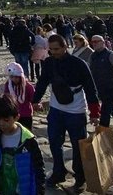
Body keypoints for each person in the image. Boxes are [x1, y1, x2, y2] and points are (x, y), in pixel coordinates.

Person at [31, 34, 100, 190]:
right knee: (55, 142)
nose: (53, 52)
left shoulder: (79, 64)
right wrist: (35, 100)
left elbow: (90, 88)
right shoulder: (49, 63)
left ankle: (80, 176)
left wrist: (94, 112)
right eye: (51, 49)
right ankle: (58, 172)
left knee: (78, 145)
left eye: (56, 49)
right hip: (56, 108)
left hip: (76, 110)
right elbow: (42, 82)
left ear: (64, 47)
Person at [0, 94, 45, 195]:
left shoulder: (28, 140)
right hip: (1, 190)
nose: (1, 123)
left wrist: (39, 192)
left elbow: (39, 170)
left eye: (6, 120)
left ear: (16, 117)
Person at [2, 62, 35, 129]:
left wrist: (36, 103)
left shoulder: (28, 87)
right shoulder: (8, 85)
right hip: (14, 114)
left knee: (27, 132)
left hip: (26, 114)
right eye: (12, 77)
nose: (14, 79)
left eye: (16, 77)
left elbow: (33, 97)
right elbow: (6, 96)